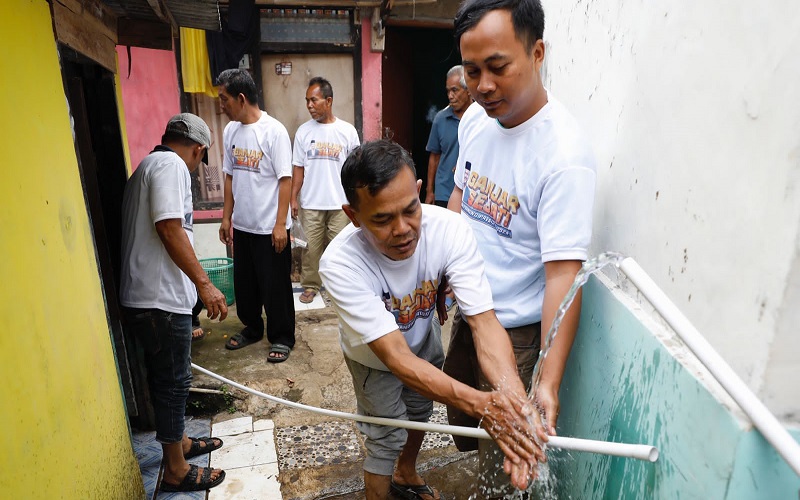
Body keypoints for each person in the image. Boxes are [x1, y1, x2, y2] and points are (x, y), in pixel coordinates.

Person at [319, 140, 548, 500]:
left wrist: (514, 402)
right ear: (353, 215)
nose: (402, 229)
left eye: (411, 210)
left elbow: (484, 323)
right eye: (382, 219)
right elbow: (395, 357)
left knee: (420, 410)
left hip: (423, 337)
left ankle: (406, 472)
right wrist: (481, 405)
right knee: (385, 438)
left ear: (418, 191)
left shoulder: (451, 229)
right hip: (373, 359)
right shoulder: (341, 264)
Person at [445, 0, 597, 496]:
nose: (483, 85)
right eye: (472, 71)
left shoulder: (563, 156)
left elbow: (563, 275)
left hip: (516, 339)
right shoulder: (476, 120)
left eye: (497, 67)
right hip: (469, 313)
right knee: (473, 432)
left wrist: (545, 382)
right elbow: (460, 198)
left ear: (537, 53)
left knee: (506, 469)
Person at [120, 113, 228, 492]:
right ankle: (176, 470)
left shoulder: (147, 166)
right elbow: (169, 226)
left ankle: (178, 443)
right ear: (198, 149)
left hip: (150, 297)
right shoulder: (170, 166)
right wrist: (205, 285)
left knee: (170, 378)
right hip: (159, 299)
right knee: (172, 383)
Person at [217, 68, 296, 363]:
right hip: (243, 225)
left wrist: (280, 224)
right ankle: (252, 328)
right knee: (246, 285)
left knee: (275, 287)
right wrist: (226, 217)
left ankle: (282, 336)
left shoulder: (273, 131)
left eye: (224, 99)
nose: (221, 106)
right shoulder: (230, 131)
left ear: (241, 98)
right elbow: (229, 176)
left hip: (269, 227)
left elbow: (285, 180)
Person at [290, 76, 360, 304]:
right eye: (307, 101)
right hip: (311, 203)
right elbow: (298, 168)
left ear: (328, 101)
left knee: (341, 248)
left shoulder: (347, 131)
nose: (309, 105)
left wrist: (356, 198)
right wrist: (293, 198)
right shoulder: (303, 132)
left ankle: (339, 285)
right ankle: (310, 285)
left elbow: (355, 169)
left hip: (341, 203)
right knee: (310, 249)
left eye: (314, 100)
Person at [424, 65, 472, 208]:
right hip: (444, 192)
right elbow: (434, 157)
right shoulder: (440, 119)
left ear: (469, 90)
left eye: (455, 90)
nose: (450, 96)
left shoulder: (482, 118)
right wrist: (430, 191)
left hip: (471, 193)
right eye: (448, 91)